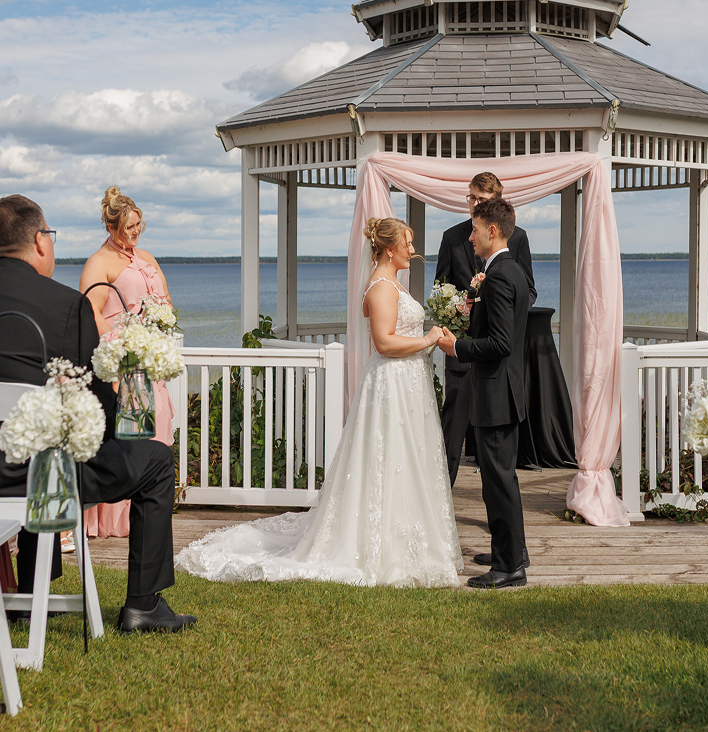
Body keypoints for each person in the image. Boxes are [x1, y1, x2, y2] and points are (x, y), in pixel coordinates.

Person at [175, 218, 462, 587]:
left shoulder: (391, 283)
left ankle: (408, 536)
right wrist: (427, 340)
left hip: (407, 383)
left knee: (405, 458)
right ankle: (383, 547)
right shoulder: (381, 288)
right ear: (390, 249)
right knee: (389, 457)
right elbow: (385, 344)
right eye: (407, 243)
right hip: (392, 383)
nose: (412, 249)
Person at [0, 194, 196, 633]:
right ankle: (144, 606)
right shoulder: (65, 306)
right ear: (39, 242)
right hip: (37, 478)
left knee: (43, 450)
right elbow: (100, 410)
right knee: (157, 460)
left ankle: (29, 593)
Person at [437, 198, 530, 589]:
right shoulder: (508, 272)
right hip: (503, 391)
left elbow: (501, 343)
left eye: (475, 229)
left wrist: (456, 347)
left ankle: (509, 568)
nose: (469, 236)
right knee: (499, 478)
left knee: (499, 480)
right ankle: (510, 551)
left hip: (496, 393)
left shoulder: (501, 276)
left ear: (493, 231)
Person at [78, 186, 176, 539]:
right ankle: (113, 521)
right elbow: (91, 312)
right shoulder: (99, 262)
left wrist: (160, 333)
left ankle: (149, 515)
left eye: (139, 225)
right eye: (129, 227)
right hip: (122, 364)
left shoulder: (146, 256)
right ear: (111, 227)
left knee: (157, 434)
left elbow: (164, 303)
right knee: (127, 441)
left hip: (150, 363)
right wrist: (119, 355)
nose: (136, 232)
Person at [435, 172, 536, 487]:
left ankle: (497, 499)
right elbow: (440, 289)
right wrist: (460, 308)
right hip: (461, 349)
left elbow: (528, 290)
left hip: (497, 356)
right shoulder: (453, 237)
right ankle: (442, 496)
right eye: (471, 197)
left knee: (495, 441)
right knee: (452, 428)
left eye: (481, 199)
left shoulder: (516, 238)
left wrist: (498, 313)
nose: (474, 204)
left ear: (497, 201)